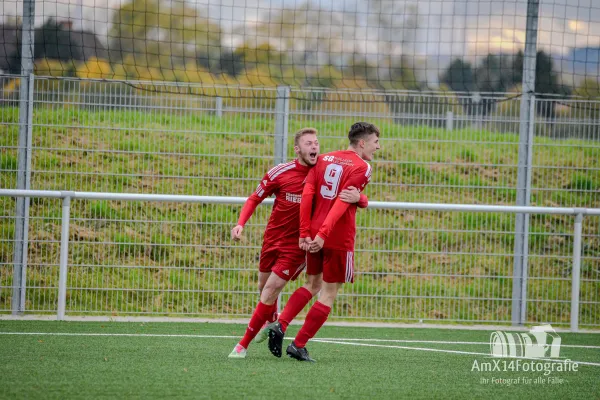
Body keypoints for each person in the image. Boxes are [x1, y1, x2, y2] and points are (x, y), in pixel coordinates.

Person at [228, 127, 369, 359]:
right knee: (264, 289)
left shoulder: (323, 169)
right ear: (297, 149)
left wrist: (361, 198)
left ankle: (242, 345)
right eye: (308, 143)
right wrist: (240, 223)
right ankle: (273, 323)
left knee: (273, 289)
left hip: (299, 245)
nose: (314, 147)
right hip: (272, 239)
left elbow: (344, 196)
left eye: (316, 142)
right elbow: (255, 197)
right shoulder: (281, 172)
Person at [267, 122, 380, 362]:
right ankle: (299, 344)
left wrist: (306, 232)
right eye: (375, 142)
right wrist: (323, 236)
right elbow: (341, 202)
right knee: (328, 292)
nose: (378, 147)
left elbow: (308, 195)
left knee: (312, 284)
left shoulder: (325, 158)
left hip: (314, 232)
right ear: (362, 143)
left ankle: (281, 324)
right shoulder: (363, 167)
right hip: (336, 238)